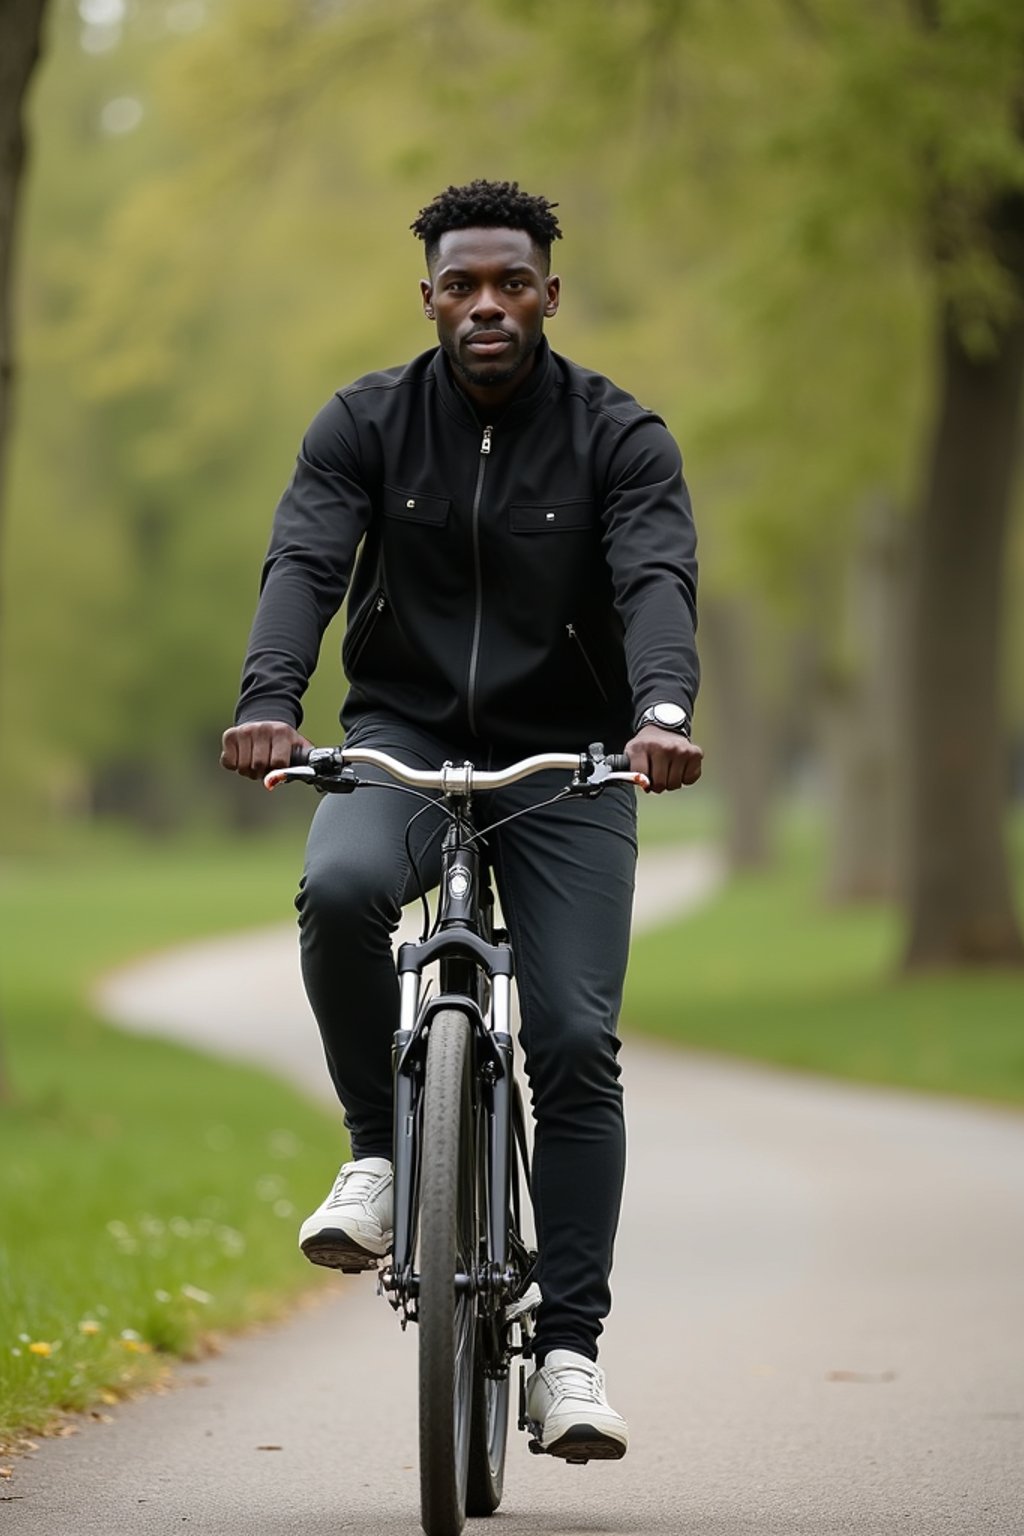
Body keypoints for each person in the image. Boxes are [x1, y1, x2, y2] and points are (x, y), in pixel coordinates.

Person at [221, 179, 702, 1462]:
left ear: (550, 290)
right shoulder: (364, 424)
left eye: (512, 284)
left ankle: (569, 1356)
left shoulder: (619, 436)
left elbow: (655, 575)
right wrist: (271, 700)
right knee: (339, 889)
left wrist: (660, 713)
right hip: (403, 733)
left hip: (575, 758)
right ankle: (380, 1158)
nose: (486, 306)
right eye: (461, 285)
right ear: (427, 295)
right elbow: (307, 562)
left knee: (573, 1039)